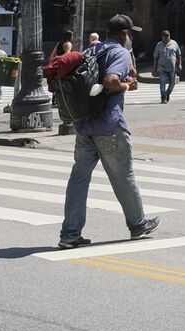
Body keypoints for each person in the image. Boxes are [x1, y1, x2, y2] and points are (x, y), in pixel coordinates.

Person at [58, 14, 156, 249]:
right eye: (130, 33)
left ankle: (70, 234)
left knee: (78, 180)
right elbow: (111, 80)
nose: (131, 37)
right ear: (123, 34)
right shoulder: (120, 53)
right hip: (108, 126)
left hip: (84, 126)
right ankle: (138, 224)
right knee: (124, 177)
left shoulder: (92, 50)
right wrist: (127, 85)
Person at [153, 30, 182, 103]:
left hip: (172, 68)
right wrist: (155, 69)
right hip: (162, 68)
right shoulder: (159, 45)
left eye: (167, 36)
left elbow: (179, 55)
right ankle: (163, 97)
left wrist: (179, 64)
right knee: (162, 82)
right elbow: (156, 57)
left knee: (172, 83)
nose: (166, 37)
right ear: (162, 37)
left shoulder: (174, 43)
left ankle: (167, 93)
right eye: (165, 36)